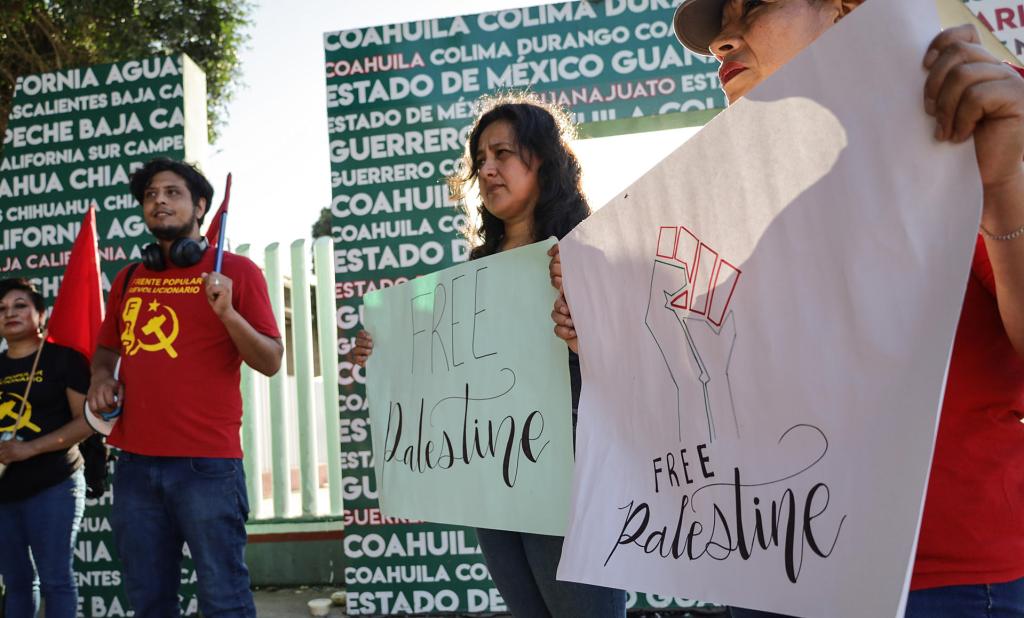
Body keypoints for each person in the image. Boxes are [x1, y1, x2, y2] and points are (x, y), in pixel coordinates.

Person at [550, 1, 1024, 616]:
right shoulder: (732, 215)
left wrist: (1007, 197)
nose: (722, 39)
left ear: (843, 11)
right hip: (773, 568)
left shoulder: (964, 146)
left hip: (938, 584)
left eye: (756, 5)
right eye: (720, 24)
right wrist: (611, 341)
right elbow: (724, 387)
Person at [353, 94, 627, 617]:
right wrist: (383, 353)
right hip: (494, 477)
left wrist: (589, 332)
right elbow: (436, 369)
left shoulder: (589, 250)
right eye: (480, 159)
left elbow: (637, 367)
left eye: (502, 153)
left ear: (542, 158)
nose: (487, 169)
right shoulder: (474, 271)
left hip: (571, 479)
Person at [86, 158, 283, 617]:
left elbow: (271, 361)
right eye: (150, 195)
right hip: (134, 466)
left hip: (206, 467)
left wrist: (228, 313)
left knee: (224, 598)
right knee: (149, 601)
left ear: (200, 206)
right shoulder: (130, 278)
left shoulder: (237, 273)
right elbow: (106, 354)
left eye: (172, 192)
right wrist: (99, 379)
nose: (159, 201)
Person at [0, 278, 93, 617]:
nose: (10, 313)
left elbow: (87, 422)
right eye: (2, 309)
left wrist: (31, 449)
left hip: (55, 484)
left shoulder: (62, 360)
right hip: (5, 493)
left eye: (20, 305)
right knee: (17, 582)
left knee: (56, 580)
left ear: (41, 314)